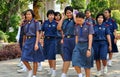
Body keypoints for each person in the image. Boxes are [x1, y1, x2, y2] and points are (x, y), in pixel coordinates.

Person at [21, 9, 44, 77]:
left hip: (34, 40)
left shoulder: (36, 22)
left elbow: (37, 33)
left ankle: (34, 75)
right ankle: (30, 70)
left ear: (32, 15)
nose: (28, 15)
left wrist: (37, 43)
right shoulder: (25, 23)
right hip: (27, 41)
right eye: (27, 14)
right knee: (23, 58)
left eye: (29, 14)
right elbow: (24, 34)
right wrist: (23, 42)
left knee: (35, 59)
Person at [72, 12, 94, 77]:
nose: (78, 22)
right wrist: (76, 46)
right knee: (75, 62)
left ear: (84, 19)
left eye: (80, 20)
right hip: (78, 45)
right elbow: (76, 36)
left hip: (86, 45)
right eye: (77, 20)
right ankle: (80, 75)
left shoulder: (89, 25)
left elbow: (90, 37)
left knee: (87, 65)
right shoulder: (76, 26)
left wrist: (89, 49)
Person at [57, 6, 75, 77]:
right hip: (66, 40)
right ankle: (63, 74)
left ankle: (80, 74)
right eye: (67, 13)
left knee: (76, 58)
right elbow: (58, 27)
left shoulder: (75, 20)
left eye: (70, 12)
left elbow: (77, 22)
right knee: (66, 58)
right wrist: (62, 18)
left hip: (74, 39)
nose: (68, 14)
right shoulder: (65, 21)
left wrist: (73, 15)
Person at [41, 10, 58, 77]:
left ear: (54, 16)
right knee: (48, 56)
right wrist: (41, 39)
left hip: (53, 40)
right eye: (50, 15)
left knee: (52, 56)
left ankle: (54, 71)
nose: (51, 16)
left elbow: (60, 30)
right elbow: (42, 31)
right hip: (46, 40)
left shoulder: (56, 23)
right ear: (47, 16)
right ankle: (51, 69)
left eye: (52, 15)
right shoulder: (45, 23)